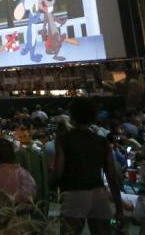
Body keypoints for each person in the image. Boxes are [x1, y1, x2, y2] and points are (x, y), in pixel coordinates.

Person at [54, 98, 122, 235]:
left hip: (74, 192)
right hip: (99, 193)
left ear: (72, 115)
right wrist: (119, 207)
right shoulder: (102, 141)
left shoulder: (63, 140)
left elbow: (58, 172)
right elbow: (112, 177)